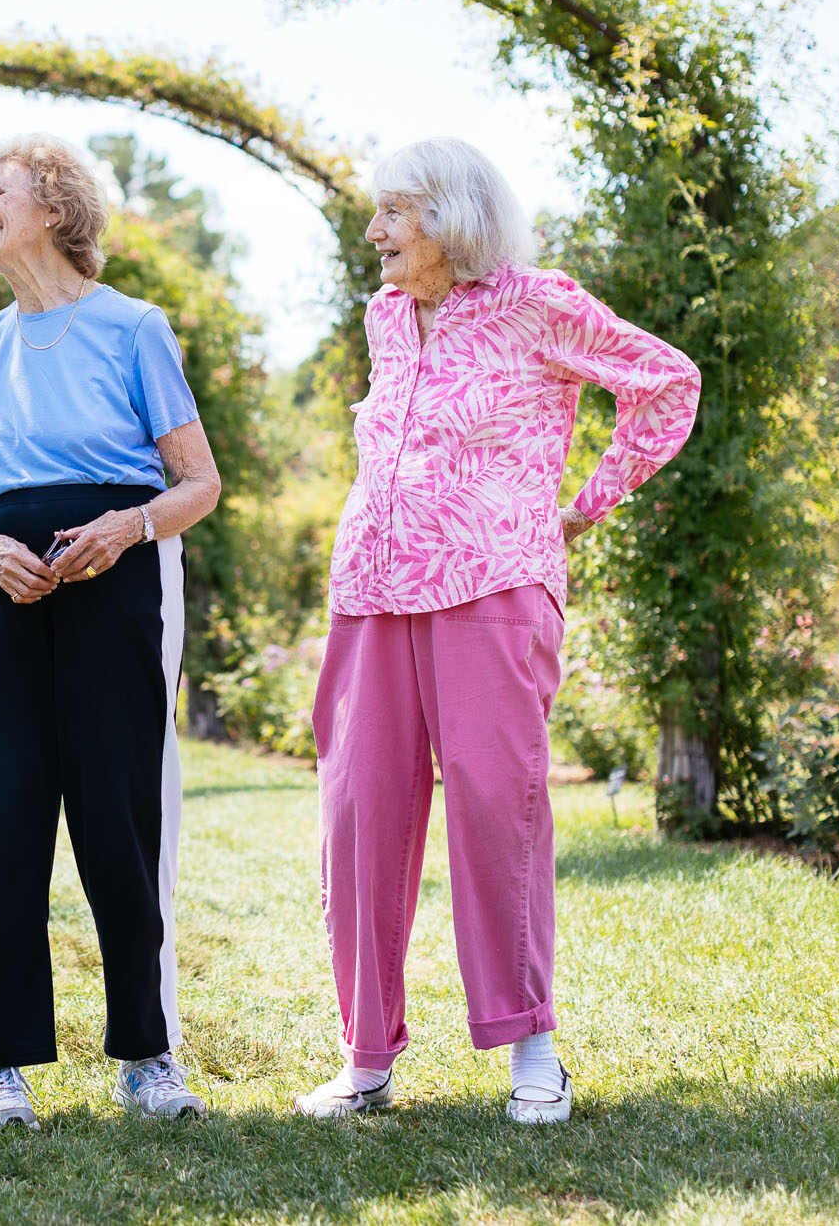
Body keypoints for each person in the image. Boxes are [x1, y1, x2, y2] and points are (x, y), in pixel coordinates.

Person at [295, 138, 700, 1125]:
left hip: (490, 585)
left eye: (393, 210)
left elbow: (665, 380)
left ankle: (532, 1052)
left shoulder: (536, 301)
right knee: (357, 813)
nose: (374, 230)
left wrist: (586, 504)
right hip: (370, 590)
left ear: (451, 215)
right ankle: (365, 1056)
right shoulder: (384, 315)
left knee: (493, 808)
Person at [0, 133, 222, 1136]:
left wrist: (125, 527)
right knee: (2, 818)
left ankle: (147, 1053)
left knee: (117, 816)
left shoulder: (133, 327)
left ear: (52, 208)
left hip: (114, 582)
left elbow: (197, 483)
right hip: (1, 589)